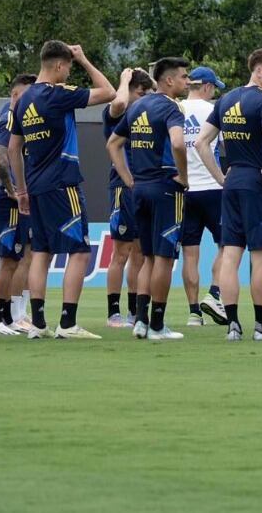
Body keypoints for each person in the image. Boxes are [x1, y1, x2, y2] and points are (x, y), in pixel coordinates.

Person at [7, 40, 115, 339]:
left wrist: (21, 190)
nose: (69, 72)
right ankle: (67, 323)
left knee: (41, 252)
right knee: (79, 251)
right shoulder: (57, 94)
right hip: (62, 182)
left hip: (37, 187)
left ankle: (38, 324)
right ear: (58, 65)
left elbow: (14, 148)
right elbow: (109, 92)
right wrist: (83, 59)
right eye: (67, 66)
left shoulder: (24, 100)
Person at [201, 48, 262, 341]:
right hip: (256, 184)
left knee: (231, 255)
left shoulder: (226, 100)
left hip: (232, 183)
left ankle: (233, 326)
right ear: (258, 71)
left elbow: (202, 142)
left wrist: (221, 177)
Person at [107, 57, 191, 341]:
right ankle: (157, 325)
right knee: (164, 258)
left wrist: (130, 179)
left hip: (139, 189)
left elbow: (113, 144)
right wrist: (183, 175)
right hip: (165, 187)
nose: (187, 82)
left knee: (146, 257)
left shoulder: (138, 106)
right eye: (183, 77)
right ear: (168, 80)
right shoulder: (171, 107)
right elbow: (178, 142)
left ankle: (141, 321)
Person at [0, 73, 36, 336]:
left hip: (22, 198)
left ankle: (13, 315)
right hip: (10, 201)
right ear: (16, 95)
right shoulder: (8, 116)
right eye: (29, 94)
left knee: (24, 257)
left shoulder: (20, 116)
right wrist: (12, 191)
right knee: (9, 261)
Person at [179, 66, 228, 328]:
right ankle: (216, 293)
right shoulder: (213, 111)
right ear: (207, 87)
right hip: (212, 187)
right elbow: (223, 146)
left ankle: (194, 312)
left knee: (190, 254)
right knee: (227, 245)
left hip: (185, 190)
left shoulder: (177, 108)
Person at [104, 68, 152, 330]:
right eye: (140, 92)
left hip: (145, 187)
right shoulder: (116, 112)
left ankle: (136, 311)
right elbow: (120, 101)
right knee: (120, 253)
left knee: (140, 253)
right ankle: (113, 312)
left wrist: (149, 80)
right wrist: (124, 79)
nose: (144, 97)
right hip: (123, 188)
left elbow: (159, 93)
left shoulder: (146, 114)